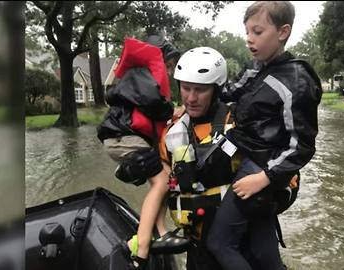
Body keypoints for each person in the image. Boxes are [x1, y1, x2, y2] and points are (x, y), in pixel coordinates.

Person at [206, 2, 322, 270]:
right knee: (263, 252)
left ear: (283, 32)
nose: (249, 39)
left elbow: (302, 145)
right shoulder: (256, 67)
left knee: (220, 243)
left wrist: (264, 178)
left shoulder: (297, 80)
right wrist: (191, 101)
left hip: (262, 167)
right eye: (247, 31)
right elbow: (227, 92)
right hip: (244, 155)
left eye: (257, 31)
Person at [96, 35, 188, 269]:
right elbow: (154, 103)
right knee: (162, 181)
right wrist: (171, 110)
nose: (168, 72)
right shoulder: (141, 75)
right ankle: (141, 248)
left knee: (167, 176)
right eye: (168, 66)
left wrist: (174, 112)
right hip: (123, 138)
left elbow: (152, 108)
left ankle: (161, 231)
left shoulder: (139, 77)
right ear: (159, 58)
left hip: (126, 137)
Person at [158, 47, 237, 270]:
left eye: (200, 90)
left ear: (216, 89)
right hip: (197, 244)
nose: (191, 98)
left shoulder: (239, 121)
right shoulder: (172, 131)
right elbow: (161, 181)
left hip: (238, 239)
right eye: (186, 88)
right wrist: (140, 167)